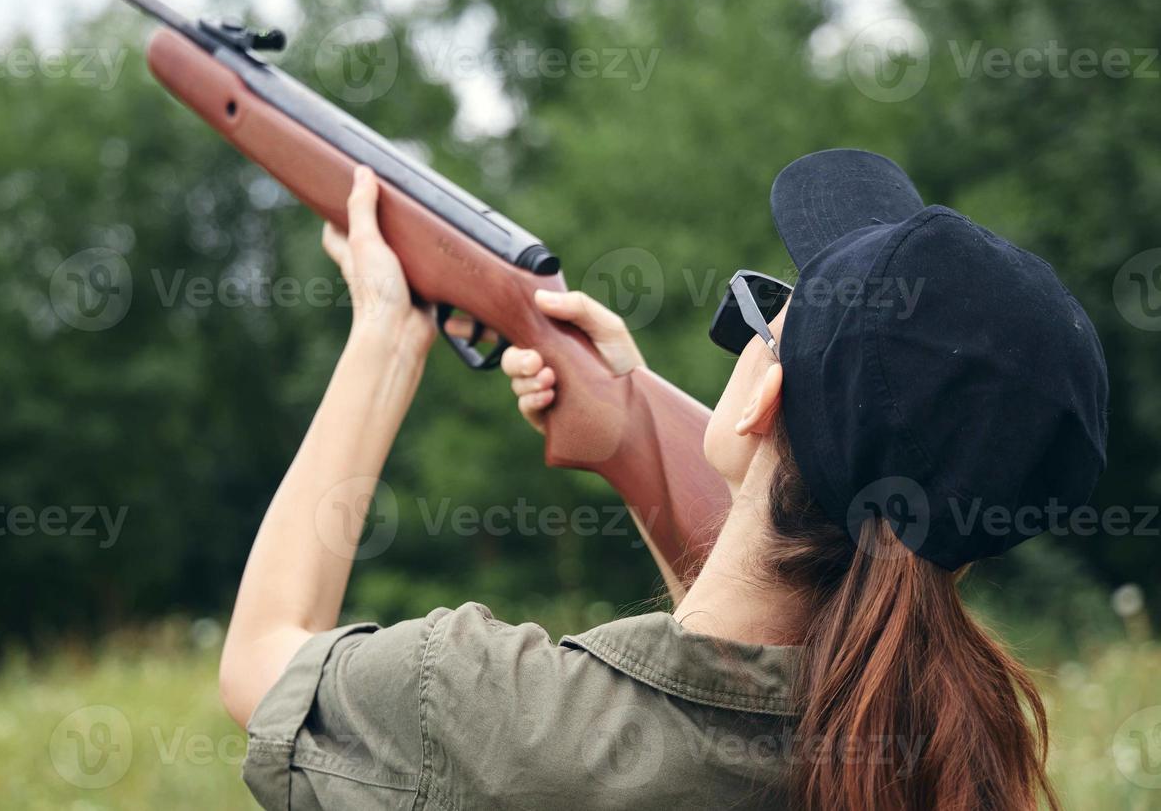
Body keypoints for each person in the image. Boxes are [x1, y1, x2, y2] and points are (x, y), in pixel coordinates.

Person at [218, 149, 1108, 810]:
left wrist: (386, 332)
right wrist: (626, 427)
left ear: (763, 393)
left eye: (759, 314)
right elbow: (744, 674)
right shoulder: (944, 758)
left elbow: (259, 661)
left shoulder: (486, 711)